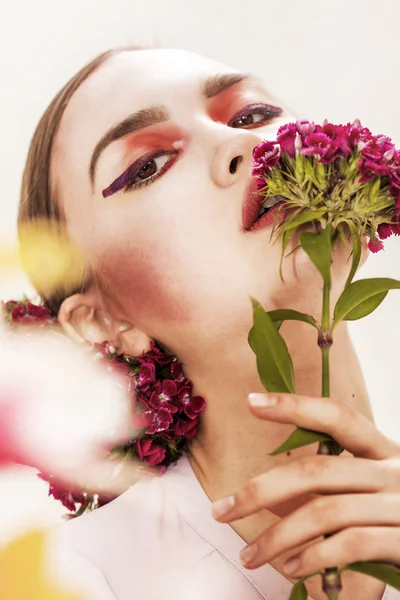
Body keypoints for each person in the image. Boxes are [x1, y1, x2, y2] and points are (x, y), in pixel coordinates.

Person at [18, 46, 400, 600]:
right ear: (102, 320)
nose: (240, 144)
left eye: (251, 115)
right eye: (148, 165)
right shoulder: (72, 577)